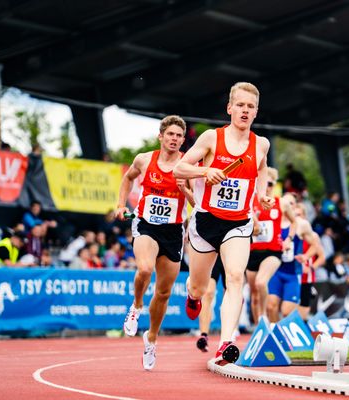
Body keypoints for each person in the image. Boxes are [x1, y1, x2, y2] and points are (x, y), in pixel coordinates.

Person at [174, 82, 274, 364]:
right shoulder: (211, 139)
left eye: (250, 107)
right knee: (199, 287)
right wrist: (207, 170)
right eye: (240, 105)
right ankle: (193, 298)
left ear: (256, 112)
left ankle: (226, 341)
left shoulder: (261, 144)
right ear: (229, 108)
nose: (245, 110)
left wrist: (262, 195)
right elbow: (179, 169)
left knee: (235, 278)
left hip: (238, 224)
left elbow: (261, 167)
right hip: (205, 223)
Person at [115, 115, 193, 371]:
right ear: (161, 136)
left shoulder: (187, 165)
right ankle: (136, 306)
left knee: (163, 292)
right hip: (146, 224)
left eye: (179, 136)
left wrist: (185, 191)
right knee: (145, 269)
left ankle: (151, 339)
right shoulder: (144, 159)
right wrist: (120, 204)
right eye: (170, 134)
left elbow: (197, 204)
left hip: (172, 231)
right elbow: (128, 178)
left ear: (183, 140)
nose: (174, 139)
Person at [246, 167, 296, 325]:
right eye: (262, 183)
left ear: (274, 185)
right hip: (252, 251)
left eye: (269, 183)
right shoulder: (249, 201)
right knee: (254, 295)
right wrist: (254, 222)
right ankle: (258, 329)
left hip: (273, 251)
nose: (265, 186)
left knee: (261, 282)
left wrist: (289, 239)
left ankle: (263, 318)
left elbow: (294, 221)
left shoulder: (281, 203)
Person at [266, 194, 320, 322]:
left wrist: (305, 256)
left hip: (293, 274)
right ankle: (275, 333)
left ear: (295, 206)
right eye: (285, 203)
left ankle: (287, 335)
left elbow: (315, 245)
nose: (288, 206)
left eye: (291, 204)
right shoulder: (274, 221)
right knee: (271, 305)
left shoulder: (301, 224)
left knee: (286, 312)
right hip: (275, 271)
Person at [196, 257, 226, 352]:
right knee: (207, 293)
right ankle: (204, 335)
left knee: (230, 291)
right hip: (213, 252)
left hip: (230, 251)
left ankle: (229, 333)